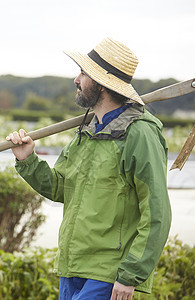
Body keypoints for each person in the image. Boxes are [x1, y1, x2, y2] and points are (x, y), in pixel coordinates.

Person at [6, 37, 172, 300]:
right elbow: (61, 187)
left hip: (108, 273)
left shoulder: (140, 133)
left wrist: (131, 274)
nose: (76, 79)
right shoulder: (87, 130)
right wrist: (28, 160)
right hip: (72, 265)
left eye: (84, 73)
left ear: (103, 83)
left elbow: (156, 212)